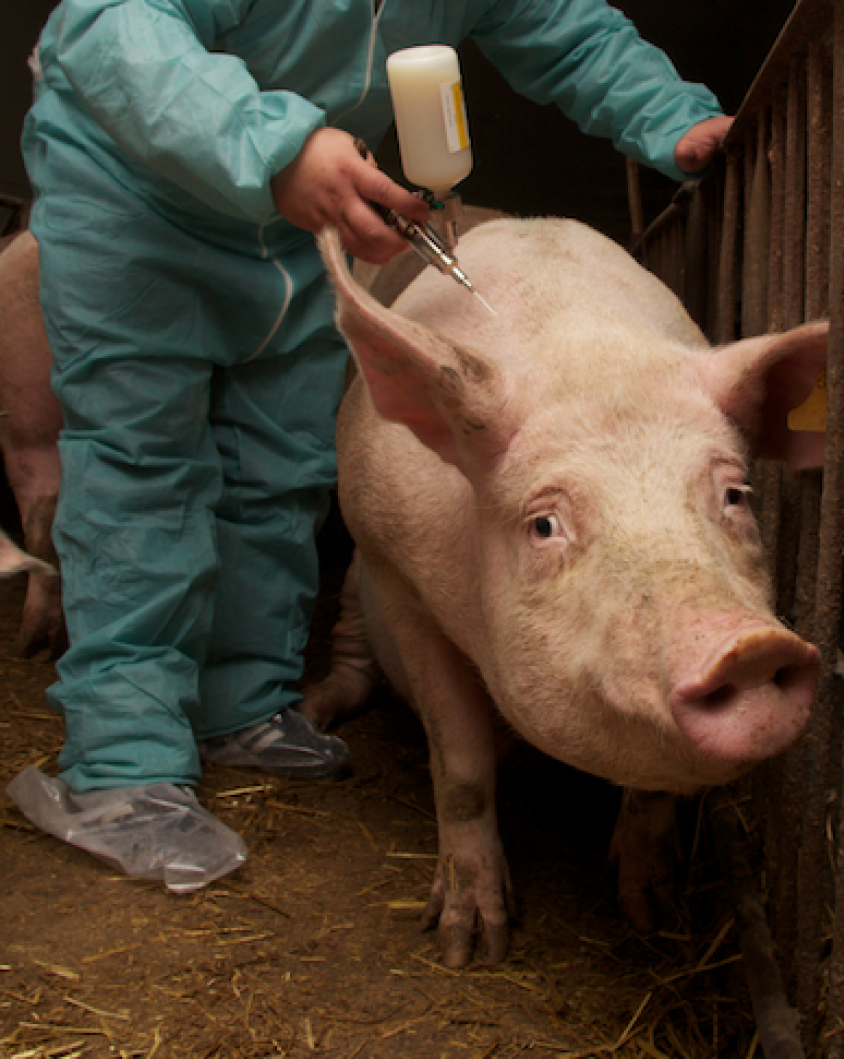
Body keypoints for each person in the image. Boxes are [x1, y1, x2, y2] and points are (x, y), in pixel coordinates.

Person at [7, 0, 733, 892]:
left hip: (293, 224)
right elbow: (110, 26)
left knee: (279, 462)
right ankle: (119, 764)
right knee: (142, 465)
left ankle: (239, 700)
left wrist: (674, 117)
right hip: (136, 199)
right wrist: (278, 147)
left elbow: (566, 27)